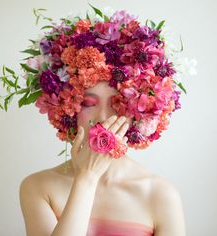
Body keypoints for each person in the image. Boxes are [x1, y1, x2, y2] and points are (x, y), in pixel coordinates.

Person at [19, 81, 186, 236]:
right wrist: (87, 178)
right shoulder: (38, 187)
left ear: (136, 112)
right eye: (88, 104)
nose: (103, 117)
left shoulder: (161, 195)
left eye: (117, 103)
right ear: (69, 110)